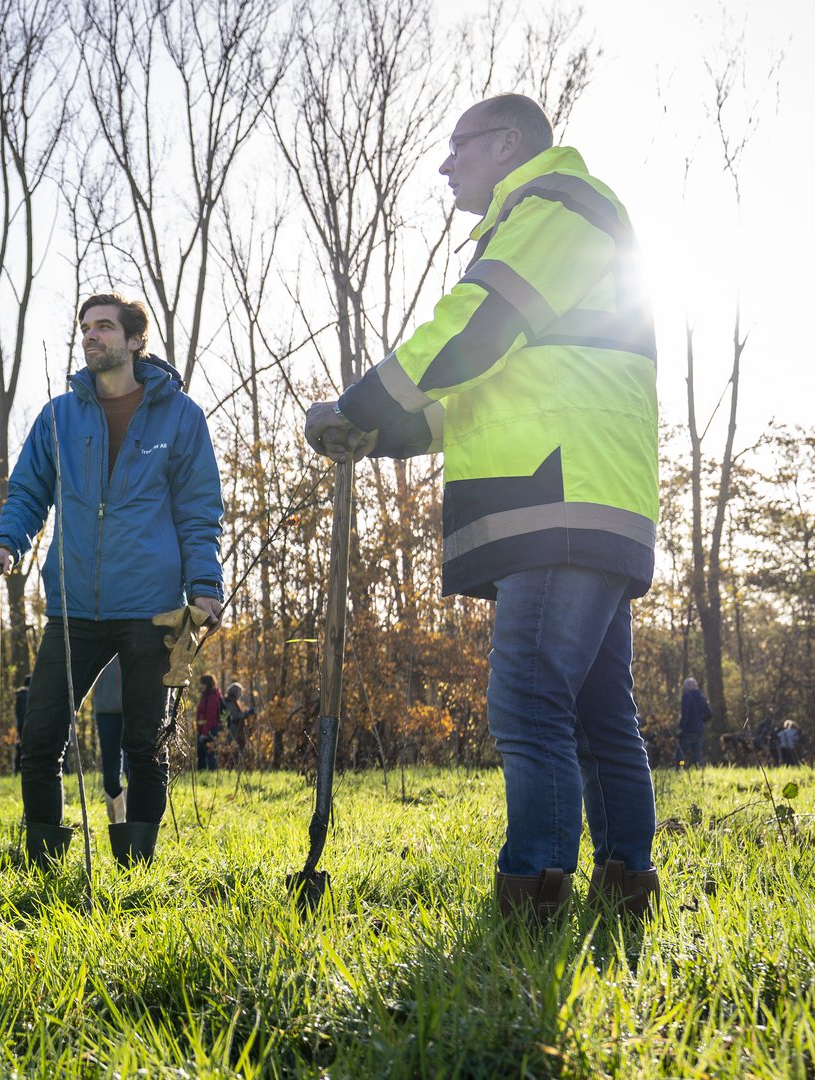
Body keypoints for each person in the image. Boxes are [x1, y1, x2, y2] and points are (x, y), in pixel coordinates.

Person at [302, 94, 660, 921]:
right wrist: (378, 436)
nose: (444, 164)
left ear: (505, 144)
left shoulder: (555, 206)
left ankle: (533, 894)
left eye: (456, 146)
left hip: (558, 491)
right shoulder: (560, 218)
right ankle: (624, 890)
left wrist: (359, 403)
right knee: (601, 711)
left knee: (530, 701)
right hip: (584, 491)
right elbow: (480, 386)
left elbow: (475, 329)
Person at [0, 290, 225, 869]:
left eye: (105, 327)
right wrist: (4, 544)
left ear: (137, 340)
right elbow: (30, 492)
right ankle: (43, 862)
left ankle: (136, 866)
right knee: (40, 738)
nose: (91, 336)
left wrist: (204, 587)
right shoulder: (60, 416)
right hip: (74, 607)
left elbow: (198, 509)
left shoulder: (180, 416)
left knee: (145, 743)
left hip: (152, 608)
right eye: (86, 327)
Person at [89, 658, 126, 823]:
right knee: (110, 772)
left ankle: (132, 819)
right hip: (105, 710)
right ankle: (118, 818)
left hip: (133, 709)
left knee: (135, 766)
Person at [678, 677, 710, 768]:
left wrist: (680, 728)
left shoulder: (686, 696)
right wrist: (701, 721)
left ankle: (681, 767)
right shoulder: (702, 697)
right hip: (699, 729)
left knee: (681, 752)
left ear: (687, 686)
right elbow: (709, 713)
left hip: (688, 730)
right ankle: (699, 769)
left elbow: (685, 715)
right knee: (697, 752)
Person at [221, 681, 254, 767]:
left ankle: (234, 767)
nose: (240, 694)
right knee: (234, 749)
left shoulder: (231, 701)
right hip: (232, 730)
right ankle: (232, 767)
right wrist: (246, 714)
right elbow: (235, 716)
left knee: (235, 749)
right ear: (235, 692)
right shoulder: (229, 702)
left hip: (234, 729)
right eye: (240, 692)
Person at [195, 674, 224, 771]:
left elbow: (210, 717)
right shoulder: (205, 696)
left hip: (210, 730)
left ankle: (211, 777)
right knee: (202, 755)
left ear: (207, 684)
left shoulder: (212, 697)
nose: (201, 686)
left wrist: (204, 733)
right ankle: (202, 777)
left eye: (202, 684)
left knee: (210, 755)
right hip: (203, 729)